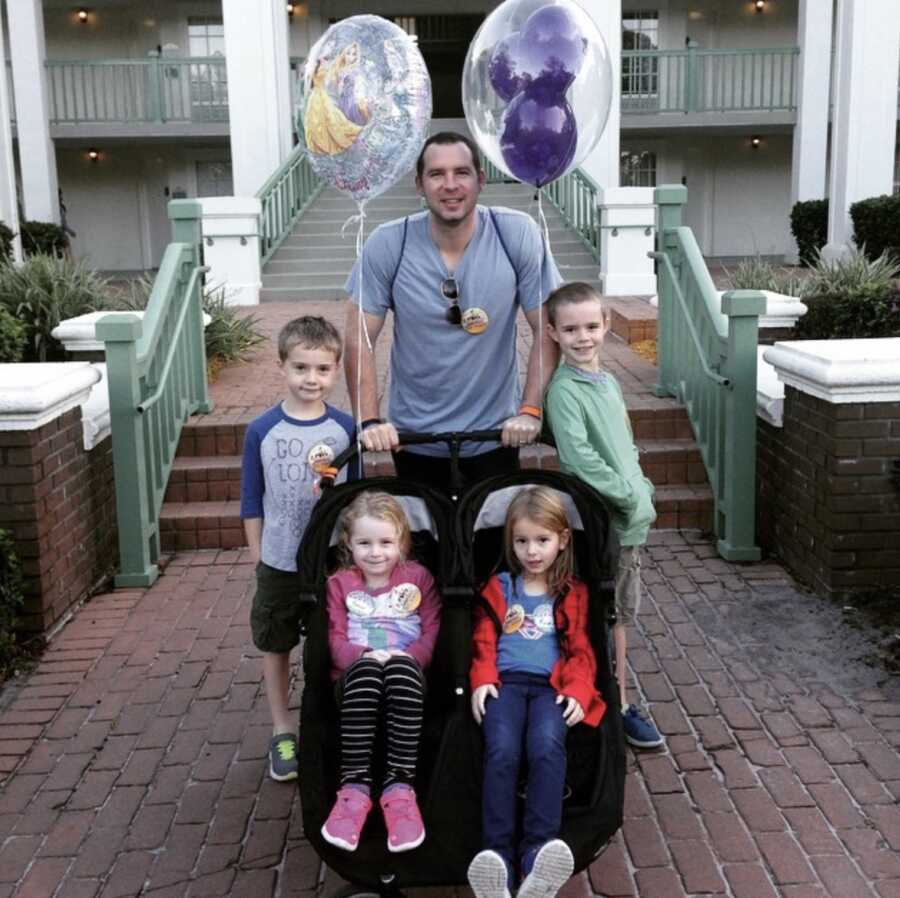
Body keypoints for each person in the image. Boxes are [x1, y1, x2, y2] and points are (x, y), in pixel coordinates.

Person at [344, 131, 561, 496]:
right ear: (419, 185)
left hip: (495, 435)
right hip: (414, 438)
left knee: (492, 545)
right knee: (424, 548)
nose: (450, 185)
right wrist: (369, 420)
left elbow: (549, 328)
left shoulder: (516, 234)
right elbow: (358, 338)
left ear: (481, 179)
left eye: (461, 172)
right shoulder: (388, 243)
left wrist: (530, 410)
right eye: (436, 174)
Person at [543, 282, 664, 750]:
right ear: (552, 332)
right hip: (607, 523)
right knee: (608, 615)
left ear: (607, 325)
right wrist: (629, 498)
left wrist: (642, 486)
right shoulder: (565, 391)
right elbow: (580, 461)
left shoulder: (608, 381)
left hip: (630, 520)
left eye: (592, 326)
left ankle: (613, 699)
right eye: (571, 329)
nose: (583, 337)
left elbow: (623, 446)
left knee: (619, 618)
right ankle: (615, 704)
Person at [468, 487, 605, 898]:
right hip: (505, 684)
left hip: (551, 688)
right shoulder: (500, 587)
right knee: (503, 750)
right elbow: (482, 639)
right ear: (510, 540)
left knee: (546, 745)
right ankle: (497, 860)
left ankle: (536, 854)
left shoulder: (571, 591)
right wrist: (481, 679)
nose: (531, 551)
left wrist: (580, 691)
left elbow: (582, 648)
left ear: (562, 540)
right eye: (522, 540)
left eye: (542, 541)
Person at [241, 316, 359, 783]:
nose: (312, 379)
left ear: (336, 370)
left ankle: (329, 724)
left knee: (332, 640)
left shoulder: (346, 429)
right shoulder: (262, 430)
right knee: (277, 641)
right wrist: (258, 556)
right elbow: (252, 498)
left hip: (332, 559)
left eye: (323, 369)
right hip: (280, 558)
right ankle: (281, 728)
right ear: (282, 366)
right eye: (301, 368)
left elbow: (358, 497)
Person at [321, 491, 441, 853]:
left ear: (401, 541)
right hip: (355, 674)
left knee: (401, 671)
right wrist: (366, 656)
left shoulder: (419, 578)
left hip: (407, 671)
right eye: (365, 543)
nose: (376, 552)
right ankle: (354, 789)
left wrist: (406, 658)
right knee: (369, 672)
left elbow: (433, 629)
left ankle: (399, 788)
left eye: (386, 542)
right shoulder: (340, 583)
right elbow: (334, 637)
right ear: (349, 543)